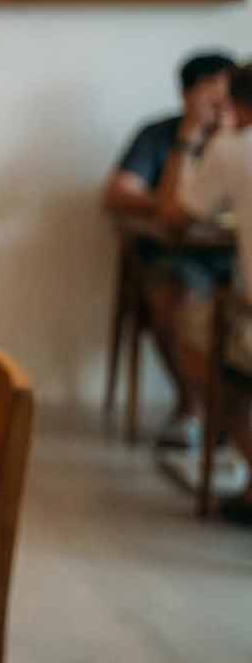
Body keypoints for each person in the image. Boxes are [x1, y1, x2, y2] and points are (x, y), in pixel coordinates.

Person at [103, 50, 236, 448]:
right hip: (174, 257)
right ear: (187, 97)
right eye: (209, 98)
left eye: (226, 98)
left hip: (234, 257)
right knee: (169, 302)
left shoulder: (238, 143)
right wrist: (185, 147)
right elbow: (118, 193)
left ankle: (229, 416)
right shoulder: (160, 136)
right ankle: (191, 405)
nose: (219, 108)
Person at [162, 63, 252, 524]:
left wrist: (190, 137)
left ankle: (214, 425)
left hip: (245, 312)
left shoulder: (233, 148)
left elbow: (176, 215)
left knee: (193, 334)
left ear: (238, 106)